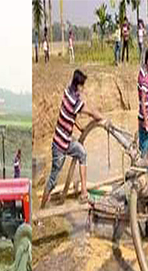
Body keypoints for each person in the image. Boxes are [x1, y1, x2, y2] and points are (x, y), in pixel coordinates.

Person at [40, 69, 106, 209]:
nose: (83, 88)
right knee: (53, 180)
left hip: (66, 140)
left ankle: (83, 192)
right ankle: (40, 211)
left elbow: (68, 115)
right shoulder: (74, 101)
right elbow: (91, 112)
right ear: (78, 85)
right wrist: (103, 119)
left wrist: (80, 127)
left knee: (82, 153)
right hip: (59, 146)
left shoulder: (68, 92)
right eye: (82, 85)